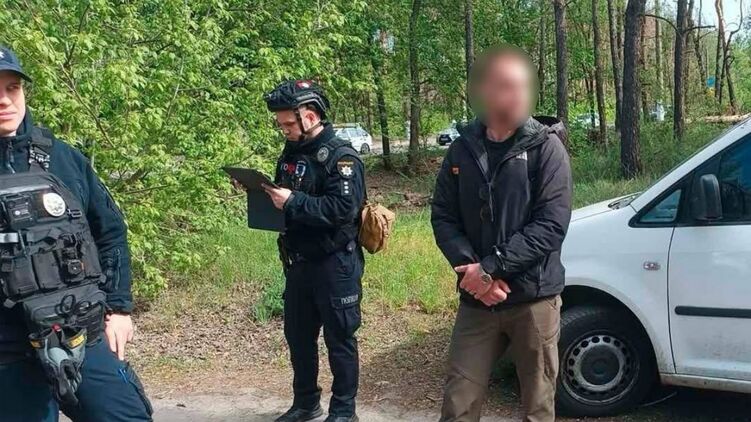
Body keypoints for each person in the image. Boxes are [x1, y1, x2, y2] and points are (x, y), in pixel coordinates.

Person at [0, 45, 152, 421]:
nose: (5, 100)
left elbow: (110, 232)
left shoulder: (63, 159)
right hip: (8, 349)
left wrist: (119, 309)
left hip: (78, 328)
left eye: (12, 88)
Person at [431, 46, 573, 422]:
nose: (519, 95)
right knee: (458, 402)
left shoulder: (547, 148)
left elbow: (551, 225)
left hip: (533, 298)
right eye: (508, 86)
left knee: (538, 406)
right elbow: (443, 216)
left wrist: (491, 268)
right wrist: (472, 272)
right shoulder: (461, 150)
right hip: (477, 301)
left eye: (524, 86)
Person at [262, 80, 366, 422]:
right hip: (299, 263)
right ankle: (306, 403)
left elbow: (342, 209)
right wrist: (260, 192)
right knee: (298, 338)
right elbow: (285, 197)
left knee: (340, 339)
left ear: (309, 117)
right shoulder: (291, 154)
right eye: (280, 125)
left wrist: (293, 201)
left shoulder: (341, 157)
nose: (284, 130)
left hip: (335, 263)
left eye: (288, 124)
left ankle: (344, 411)